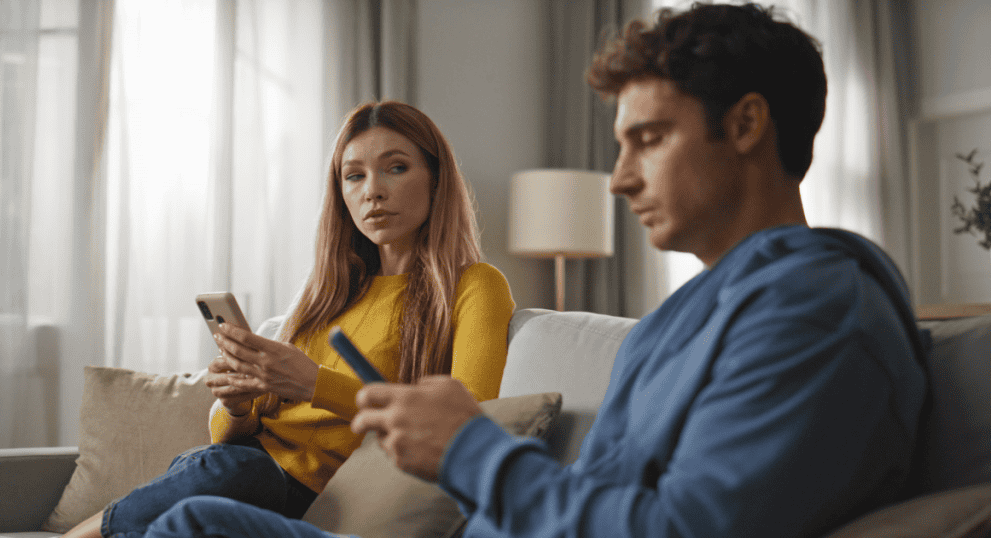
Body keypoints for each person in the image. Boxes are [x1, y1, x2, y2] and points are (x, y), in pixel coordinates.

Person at [136, 3, 929, 537]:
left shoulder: (816, 303)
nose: (617, 179)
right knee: (200, 514)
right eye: (619, 148)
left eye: (647, 140)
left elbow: (683, 528)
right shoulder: (689, 317)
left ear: (748, 123)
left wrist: (470, 448)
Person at [61, 100, 516, 538]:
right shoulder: (330, 294)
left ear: (436, 180)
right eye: (353, 176)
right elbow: (227, 434)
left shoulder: (474, 285)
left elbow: (470, 418)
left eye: (396, 168)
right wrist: (237, 404)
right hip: (237, 471)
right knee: (223, 472)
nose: (372, 190)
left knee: (234, 473)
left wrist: (313, 383)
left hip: (307, 492)